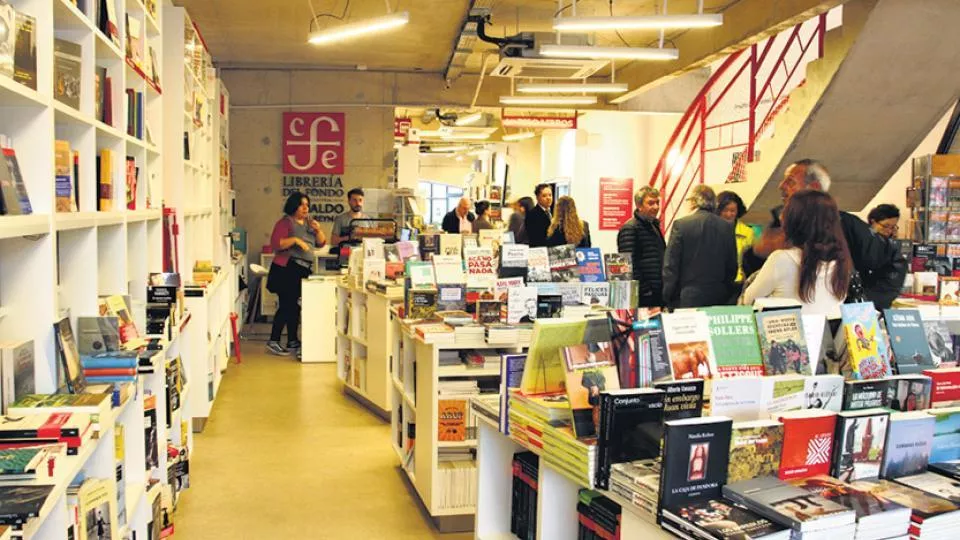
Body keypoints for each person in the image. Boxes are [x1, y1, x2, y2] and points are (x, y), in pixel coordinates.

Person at [742, 159, 898, 288]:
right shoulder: (779, 223)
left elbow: (893, 257)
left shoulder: (846, 224)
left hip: (833, 319)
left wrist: (871, 301)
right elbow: (757, 275)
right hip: (785, 319)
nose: (781, 186)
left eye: (790, 182)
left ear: (814, 187)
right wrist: (756, 254)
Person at [741, 190, 852, 318]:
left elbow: (749, 300)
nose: (781, 217)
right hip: (825, 336)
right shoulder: (842, 261)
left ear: (794, 221)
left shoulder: (781, 259)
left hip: (786, 336)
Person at [266, 191, 327, 356]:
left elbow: (321, 243)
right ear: (294, 206)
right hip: (287, 269)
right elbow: (276, 244)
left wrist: (318, 230)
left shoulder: (309, 223)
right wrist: (295, 240)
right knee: (286, 305)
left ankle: (293, 340)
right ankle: (274, 340)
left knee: (294, 306)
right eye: (302, 205)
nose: (306, 208)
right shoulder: (285, 223)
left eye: (307, 205)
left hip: (302, 269)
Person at [662, 185, 738, 308]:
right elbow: (732, 266)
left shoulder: (681, 225)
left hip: (687, 297)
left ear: (693, 202)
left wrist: (667, 295)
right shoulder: (727, 227)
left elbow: (671, 265)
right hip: (718, 296)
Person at [617, 186, 666, 307]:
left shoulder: (653, 226)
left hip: (657, 293)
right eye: (650, 203)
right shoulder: (630, 228)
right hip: (643, 297)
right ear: (639, 205)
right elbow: (628, 265)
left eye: (657, 202)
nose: (656, 207)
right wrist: (645, 290)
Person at [864, 204, 907, 310]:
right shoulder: (864, 241)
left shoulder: (890, 245)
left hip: (880, 298)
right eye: (885, 226)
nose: (889, 230)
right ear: (873, 222)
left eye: (893, 227)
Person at [716, 191, 755, 284]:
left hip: (738, 282)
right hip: (715, 281)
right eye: (725, 210)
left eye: (732, 211)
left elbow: (751, 263)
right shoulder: (710, 230)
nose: (729, 214)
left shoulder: (748, 232)